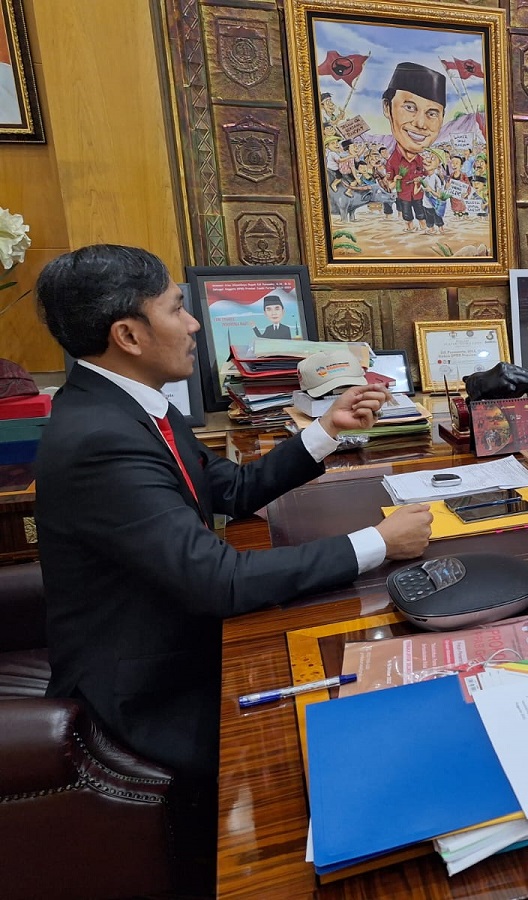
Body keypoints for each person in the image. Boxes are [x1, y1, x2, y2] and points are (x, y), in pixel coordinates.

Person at [33, 245, 433, 887]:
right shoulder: (99, 441)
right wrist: (378, 543)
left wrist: (327, 429)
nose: (194, 325)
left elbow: (232, 490)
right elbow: (219, 580)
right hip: (146, 688)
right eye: (175, 308)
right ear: (128, 335)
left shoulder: (127, 406)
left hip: (175, 635)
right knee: (340, 733)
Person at [381, 62, 445, 231]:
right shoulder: (392, 161)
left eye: (432, 113)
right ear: (387, 107)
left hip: (420, 196)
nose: (420, 124)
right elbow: (389, 184)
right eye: (409, 107)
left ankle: (425, 228)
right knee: (407, 213)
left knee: (422, 212)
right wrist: (395, 181)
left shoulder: (425, 160)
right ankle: (409, 227)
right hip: (403, 195)